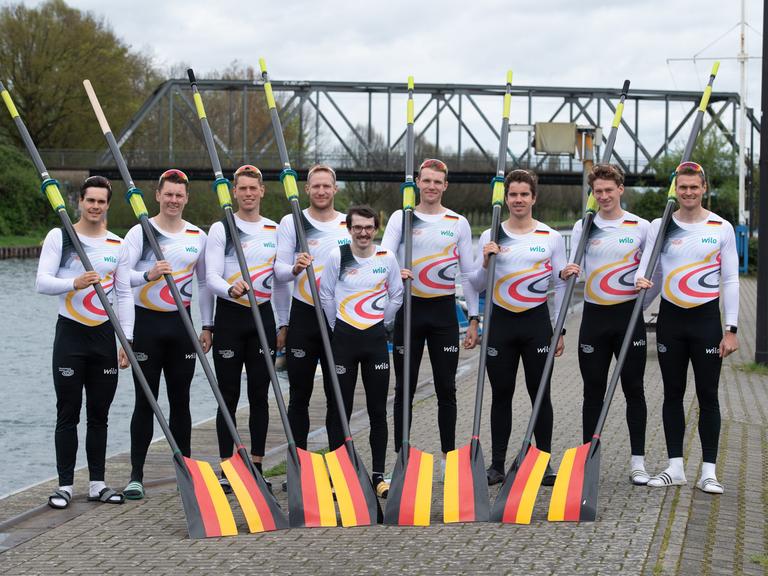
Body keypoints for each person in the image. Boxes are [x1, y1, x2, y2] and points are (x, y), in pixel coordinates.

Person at [636, 161, 739, 494]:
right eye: (683, 187)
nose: (689, 192)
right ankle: (675, 467)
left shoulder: (721, 227)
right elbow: (647, 269)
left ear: (704, 189)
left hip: (706, 320)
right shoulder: (660, 226)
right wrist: (639, 286)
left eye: (694, 187)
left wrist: (731, 328)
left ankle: (709, 471)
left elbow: (731, 278)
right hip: (671, 320)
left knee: (708, 395)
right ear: (675, 190)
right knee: (672, 394)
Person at [36, 176, 132, 508]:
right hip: (71, 335)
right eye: (90, 200)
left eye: (101, 202)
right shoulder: (60, 236)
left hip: (104, 337)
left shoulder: (118, 245)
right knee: (68, 412)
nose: (95, 206)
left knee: (99, 414)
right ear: (79, 201)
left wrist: (127, 340)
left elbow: (124, 294)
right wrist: (74, 282)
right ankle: (64, 485)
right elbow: (42, 282)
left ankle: (97, 483)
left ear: (108, 205)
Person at [380, 158, 479, 475]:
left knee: (446, 388)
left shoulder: (458, 222)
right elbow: (382, 257)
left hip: (443, 312)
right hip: (410, 311)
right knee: (404, 389)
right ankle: (402, 458)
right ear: (417, 183)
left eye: (438, 182)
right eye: (426, 181)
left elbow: (468, 276)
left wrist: (474, 317)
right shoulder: (402, 217)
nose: (432, 187)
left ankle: (449, 458)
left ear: (445, 185)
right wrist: (396, 268)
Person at [120, 169, 214, 500]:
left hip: (182, 327)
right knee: (145, 401)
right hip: (146, 325)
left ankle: (185, 471)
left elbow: (204, 283)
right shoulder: (139, 233)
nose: (173, 200)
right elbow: (120, 280)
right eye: (168, 194)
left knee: (181, 401)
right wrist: (148, 274)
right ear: (157, 195)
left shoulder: (197, 236)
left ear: (186, 199)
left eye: (179, 195)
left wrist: (207, 325)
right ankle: (136, 476)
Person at [471, 169, 566, 486]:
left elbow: (561, 286)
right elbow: (475, 284)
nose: (519, 200)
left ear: (534, 198)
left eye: (524, 194)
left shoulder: (550, 237)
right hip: (501, 323)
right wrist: (485, 263)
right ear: (505, 198)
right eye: (513, 194)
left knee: (541, 394)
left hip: (536, 323)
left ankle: (545, 463)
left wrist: (560, 330)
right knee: (501, 395)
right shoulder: (491, 235)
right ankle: (497, 465)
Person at [560, 164, 652, 485]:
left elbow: (656, 273)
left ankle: (638, 462)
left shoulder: (641, 227)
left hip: (628, 318)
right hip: (594, 319)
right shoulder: (583, 227)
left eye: (608, 190)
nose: (603, 196)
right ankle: (589, 458)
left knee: (634, 390)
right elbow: (577, 270)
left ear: (621, 189)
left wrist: (644, 303)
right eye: (597, 192)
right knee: (592, 392)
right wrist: (567, 271)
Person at [205, 165, 289, 492]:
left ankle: (255, 466)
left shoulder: (275, 230)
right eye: (242, 189)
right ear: (234, 192)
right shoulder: (221, 229)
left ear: (262, 191)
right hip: (230, 316)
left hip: (262, 319)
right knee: (227, 396)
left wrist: (283, 322)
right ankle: (228, 468)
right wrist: (230, 289)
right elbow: (210, 277)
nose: (248, 194)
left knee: (259, 395)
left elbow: (281, 284)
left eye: (254, 188)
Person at [320, 205, 403, 498]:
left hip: (375, 342)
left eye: (369, 227)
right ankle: (337, 476)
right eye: (358, 227)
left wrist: (382, 321)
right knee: (337, 409)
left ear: (376, 228)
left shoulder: (387, 257)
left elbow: (396, 294)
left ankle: (379, 475)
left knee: (377, 410)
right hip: (343, 339)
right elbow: (326, 294)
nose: (363, 232)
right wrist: (336, 326)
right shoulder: (337, 256)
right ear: (349, 228)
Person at [274, 164, 350, 454]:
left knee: (337, 396)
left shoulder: (348, 224)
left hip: (337, 320)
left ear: (335, 189)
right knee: (299, 396)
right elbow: (279, 273)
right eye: (315, 186)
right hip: (304, 317)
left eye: (326, 186)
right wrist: (294, 267)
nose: (320, 191)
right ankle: (300, 462)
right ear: (306, 189)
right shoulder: (291, 222)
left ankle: (337, 463)